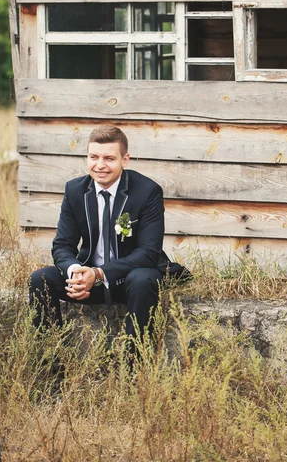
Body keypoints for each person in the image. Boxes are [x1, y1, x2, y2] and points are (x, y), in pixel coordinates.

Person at [29, 125, 188, 350]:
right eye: (94, 157)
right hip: (87, 281)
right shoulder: (75, 190)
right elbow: (62, 245)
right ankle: (51, 363)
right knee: (40, 279)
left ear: (125, 159)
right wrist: (76, 272)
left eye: (109, 158)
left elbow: (148, 253)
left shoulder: (147, 191)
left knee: (143, 279)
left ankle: (134, 366)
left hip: (128, 280)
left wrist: (99, 273)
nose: (100, 165)